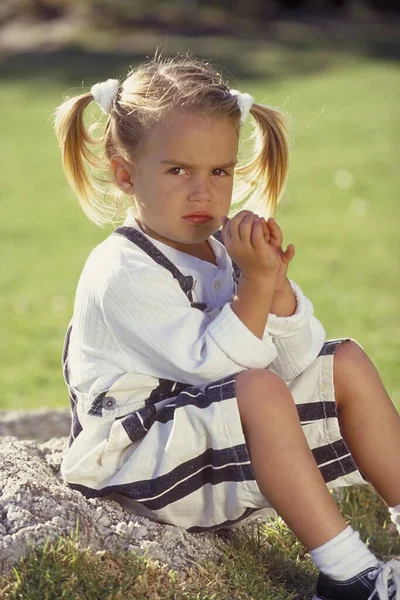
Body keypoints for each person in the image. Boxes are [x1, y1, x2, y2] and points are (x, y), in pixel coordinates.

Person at [53, 52, 400, 599]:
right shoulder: (120, 269)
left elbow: (295, 359)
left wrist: (276, 288)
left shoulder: (220, 251)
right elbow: (213, 366)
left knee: (346, 361)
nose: (203, 191)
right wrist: (255, 290)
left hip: (207, 437)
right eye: (177, 171)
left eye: (218, 171)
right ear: (125, 174)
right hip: (135, 464)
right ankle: (349, 576)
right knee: (257, 389)